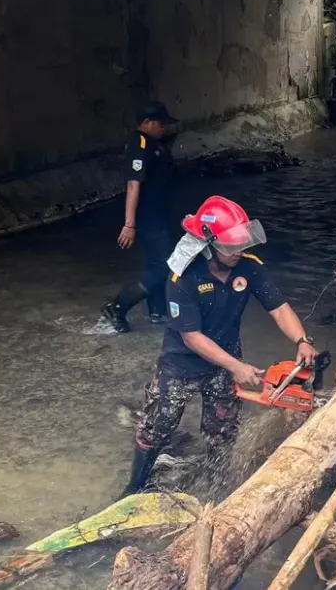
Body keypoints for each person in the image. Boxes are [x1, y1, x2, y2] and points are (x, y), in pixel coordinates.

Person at [121, 195, 319, 496]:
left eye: (241, 244)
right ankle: (133, 488)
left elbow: (279, 308)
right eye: (230, 247)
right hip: (181, 363)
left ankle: (217, 489)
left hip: (225, 359)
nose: (238, 251)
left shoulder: (249, 267)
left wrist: (302, 340)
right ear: (209, 244)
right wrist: (237, 367)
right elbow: (192, 336)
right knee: (158, 424)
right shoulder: (182, 277)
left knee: (222, 431)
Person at [102, 101, 179, 333]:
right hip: (148, 219)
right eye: (160, 123)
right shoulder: (139, 143)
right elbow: (133, 185)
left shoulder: (155, 143)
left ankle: (157, 312)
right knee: (165, 267)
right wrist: (129, 224)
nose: (163, 127)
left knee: (156, 264)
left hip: (159, 215)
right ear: (146, 123)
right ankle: (118, 305)